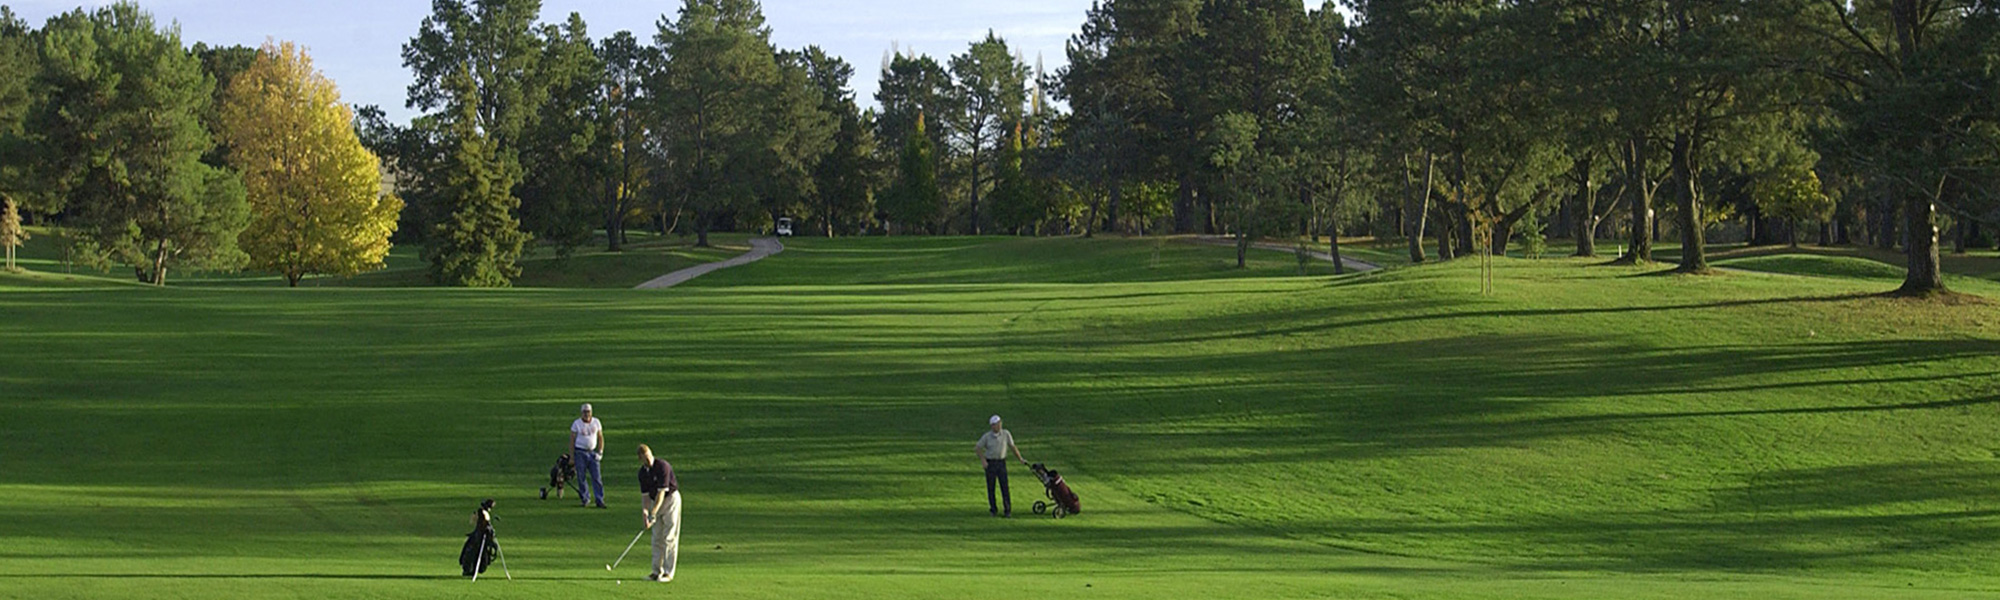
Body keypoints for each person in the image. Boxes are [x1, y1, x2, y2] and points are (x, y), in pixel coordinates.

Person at [637, 444, 681, 583]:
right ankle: (656, 572)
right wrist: (645, 512)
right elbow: (645, 496)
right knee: (656, 538)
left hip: (670, 501)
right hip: (655, 502)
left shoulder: (662, 466)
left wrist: (653, 513)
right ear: (640, 459)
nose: (649, 461)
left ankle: (668, 573)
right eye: (645, 459)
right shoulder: (642, 473)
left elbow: (662, 493)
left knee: (669, 537)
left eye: (649, 457)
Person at [974, 415, 1028, 517]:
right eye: (996, 425)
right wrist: (983, 460)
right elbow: (977, 448)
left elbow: (1012, 446)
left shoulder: (1006, 434)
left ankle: (1007, 510)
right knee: (991, 487)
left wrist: (1020, 458)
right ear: (992, 426)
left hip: (1001, 463)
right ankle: (993, 510)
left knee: (1005, 487)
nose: (998, 426)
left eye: (999, 423)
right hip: (990, 463)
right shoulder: (987, 436)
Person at [571, 403, 606, 508]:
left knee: (597, 477)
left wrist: (600, 451)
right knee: (581, 476)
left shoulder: (596, 422)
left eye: (588, 412)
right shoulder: (577, 424)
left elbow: (600, 437)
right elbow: (572, 440)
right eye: (585, 412)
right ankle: (585, 498)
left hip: (592, 452)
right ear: (581, 413)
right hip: (580, 452)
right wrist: (572, 456)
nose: (587, 414)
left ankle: (599, 500)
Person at [459, 499, 498, 577]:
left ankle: (472, 568)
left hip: (479, 536)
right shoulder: (482, 513)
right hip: (479, 537)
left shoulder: (482, 513)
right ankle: (471, 569)